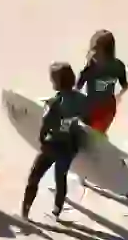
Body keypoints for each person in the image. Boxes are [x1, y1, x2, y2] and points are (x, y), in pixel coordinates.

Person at [21, 62, 90, 221]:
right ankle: (56, 212)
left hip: (53, 145)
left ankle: (25, 213)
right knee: (61, 177)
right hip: (70, 146)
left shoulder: (54, 104)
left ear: (57, 82)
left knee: (34, 177)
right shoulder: (82, 99)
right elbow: (85, 119)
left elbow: (45, 126)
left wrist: (42, 140)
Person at [76, 29, 128, 135]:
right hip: (104, 108)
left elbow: (77, 87)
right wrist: (118, 96)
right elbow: (125, 86)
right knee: (95, 132)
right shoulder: (118, 65)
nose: (92, 52)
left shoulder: (92, 67)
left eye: (95, 49)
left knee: (92, 134)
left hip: (98, 110)